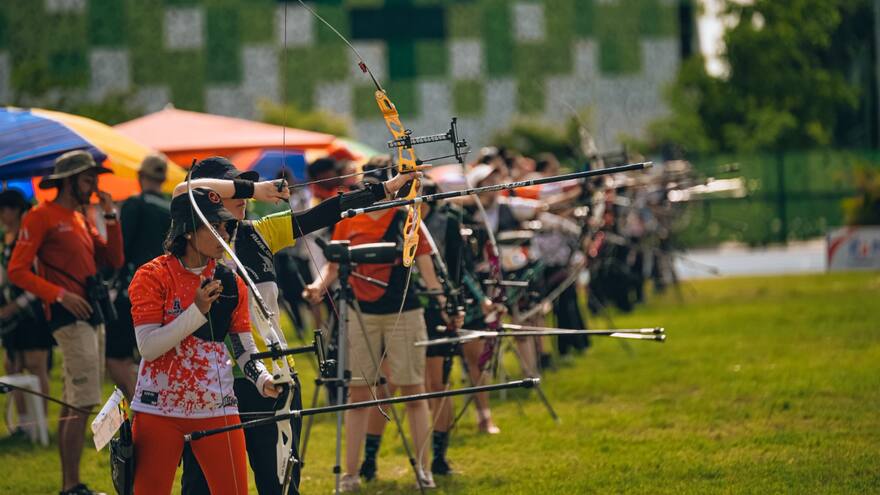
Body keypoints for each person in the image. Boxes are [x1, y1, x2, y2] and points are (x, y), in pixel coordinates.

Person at [177, 156, 419, 495]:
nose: (243, 199)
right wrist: (255, 189)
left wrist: (385, 189)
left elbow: (324, 212)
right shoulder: (183, 251)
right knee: (202, 488)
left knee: (280, 485)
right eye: (233, 190)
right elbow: (185, 189)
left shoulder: (258, 234)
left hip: (273, 379)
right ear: (209, 198)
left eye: (243, 189)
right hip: (211, 384)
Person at [304, 173, 451, 491]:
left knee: (414, 391)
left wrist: (444, 302)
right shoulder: (348, 220)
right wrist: (317, 288)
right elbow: (332, 266)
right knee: (358, 395)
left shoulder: (406, 219)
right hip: (360, 313)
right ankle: (350, 475)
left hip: (404, 311)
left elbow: (427, 271)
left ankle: (423, 471)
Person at [129, 187, 279, 495]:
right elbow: (148, 347)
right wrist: (196, 311)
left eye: (226, 225)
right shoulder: (152, 275)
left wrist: (263, 379)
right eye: (215, 226)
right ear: (187, 231)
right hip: (158, 411)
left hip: (218, 409)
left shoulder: (232, 282)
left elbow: (243, 347)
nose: (226, 232)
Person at [8, 150, 124, 495]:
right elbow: (17, 270)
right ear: (69, 181)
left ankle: (70, 486)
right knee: (82, 399)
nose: (94, 184)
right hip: (68, 316)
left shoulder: (80, 217)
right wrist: (59, 295)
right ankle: (71, 485)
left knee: (79, 398)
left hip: (92, 313)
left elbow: (114, 258)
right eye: (88, 178)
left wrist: (109, 215)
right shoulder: (41, 216)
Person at [107, 154, 171, 400]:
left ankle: (141, 405)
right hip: (165, 290)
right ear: (163, 179)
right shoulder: (171, 207)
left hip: (132, 291)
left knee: (116, 358)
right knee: (155, 357)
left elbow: (119, 251)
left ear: (140, 176)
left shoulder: (135, 205)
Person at [0, 189, 54, 421]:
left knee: (35, 365)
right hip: (12, 314)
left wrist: (16, 305)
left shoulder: (29, 236)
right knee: (13, 365)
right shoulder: (6, 238)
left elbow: (39, 279)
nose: (2, 215)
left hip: (34, 311)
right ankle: (24, 423)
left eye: (4, 210)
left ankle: (39, 422)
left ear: (16, 209)